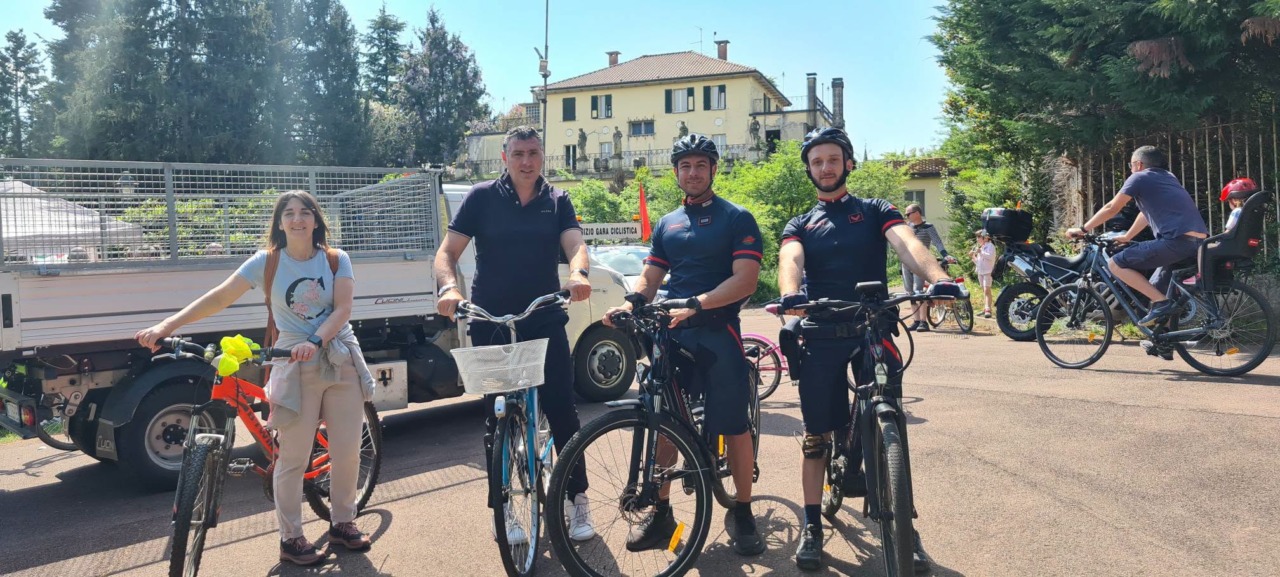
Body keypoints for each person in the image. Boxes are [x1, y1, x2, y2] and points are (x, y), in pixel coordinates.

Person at [136, 190, 376, 566]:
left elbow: (343, 308)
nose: (297, 219)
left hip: (338, 355)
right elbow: (219, 297)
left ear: (316, 219)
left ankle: (342, 522)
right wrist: (167, 325)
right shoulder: (267, 262)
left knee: (346, 449)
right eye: (289, 213)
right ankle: (292, 538)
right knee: (293, 456)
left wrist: (316, 339)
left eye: (305, 212)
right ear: (280, 223)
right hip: (292, 359)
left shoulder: (335, 259)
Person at [777, 127, 960, 572]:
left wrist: (937, 278)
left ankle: (904, 526)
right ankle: (812, 524)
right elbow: (791, 260)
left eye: (832, 160)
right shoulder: (800, 223)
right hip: (821, 330)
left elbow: (906, 242)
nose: (825, 167)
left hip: (873, 328)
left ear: (848, 164)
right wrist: (790, 297)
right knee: (817, 436)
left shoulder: (876, 210)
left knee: (890, 419)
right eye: (817, 161)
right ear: (809, 169)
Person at [601, 133, 768, 556]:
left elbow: (745, 280)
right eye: (685, 166)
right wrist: (631, 302)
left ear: (713, 169)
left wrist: (699, 303)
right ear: (675, 172)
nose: (692, 173)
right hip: (672, 330)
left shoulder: (737, 218)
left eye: (700, 165)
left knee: (733, 426)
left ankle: (743, 511)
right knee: (662, 420)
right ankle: (661, 513)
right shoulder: (668, 223)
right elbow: (651, 276)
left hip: (717, 329)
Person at [434, 125, 596, 544]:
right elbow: (448, 253)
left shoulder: (557, 200)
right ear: (504, 157)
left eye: (534, 153)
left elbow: (575, 244)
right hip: (490, 319)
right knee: (497, 415)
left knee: (562, 408)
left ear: (543, 157)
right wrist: (449, 288)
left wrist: (578, 273)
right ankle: (503, 508)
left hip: (542, 317)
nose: (527, 161)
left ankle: (577, 498)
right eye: (518, 153)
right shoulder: (481, 197)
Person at [1067, 145, 1208, 326]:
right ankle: (1162, 339)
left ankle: (1163, 303)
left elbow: (1112, 207)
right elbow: (1145, 214)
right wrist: (1127, 237)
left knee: (1115, 263)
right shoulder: (1169, 178)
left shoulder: (1139, 177)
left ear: (1139, 164)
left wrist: (1083, 229)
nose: (1130, 170)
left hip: (1175, 241)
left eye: (1130, 165)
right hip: (1197, 243)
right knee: (1156, 287)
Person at [901, 204, 954, 331]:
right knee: (910, 293)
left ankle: (923, 322)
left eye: (908, 214)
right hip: (906, 263)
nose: (906, 217)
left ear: (917, 213)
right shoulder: (908, 227)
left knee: (919, 291)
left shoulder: (929, 227)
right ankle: (916, 320)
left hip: (920, 263)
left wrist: (945, 255)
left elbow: (937, 242)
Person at [971, 229, 996, 317]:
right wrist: (973, 257)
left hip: (988, 272)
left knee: (987, 290)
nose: (977, 239)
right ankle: (985, 308)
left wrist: (980, 252)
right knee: (984, 290)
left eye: (979, 237)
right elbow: (979, 262)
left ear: (985, 238)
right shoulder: (981, 247)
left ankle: (988, 309)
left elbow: (990, 257)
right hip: (980, 272)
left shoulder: (990, 246)